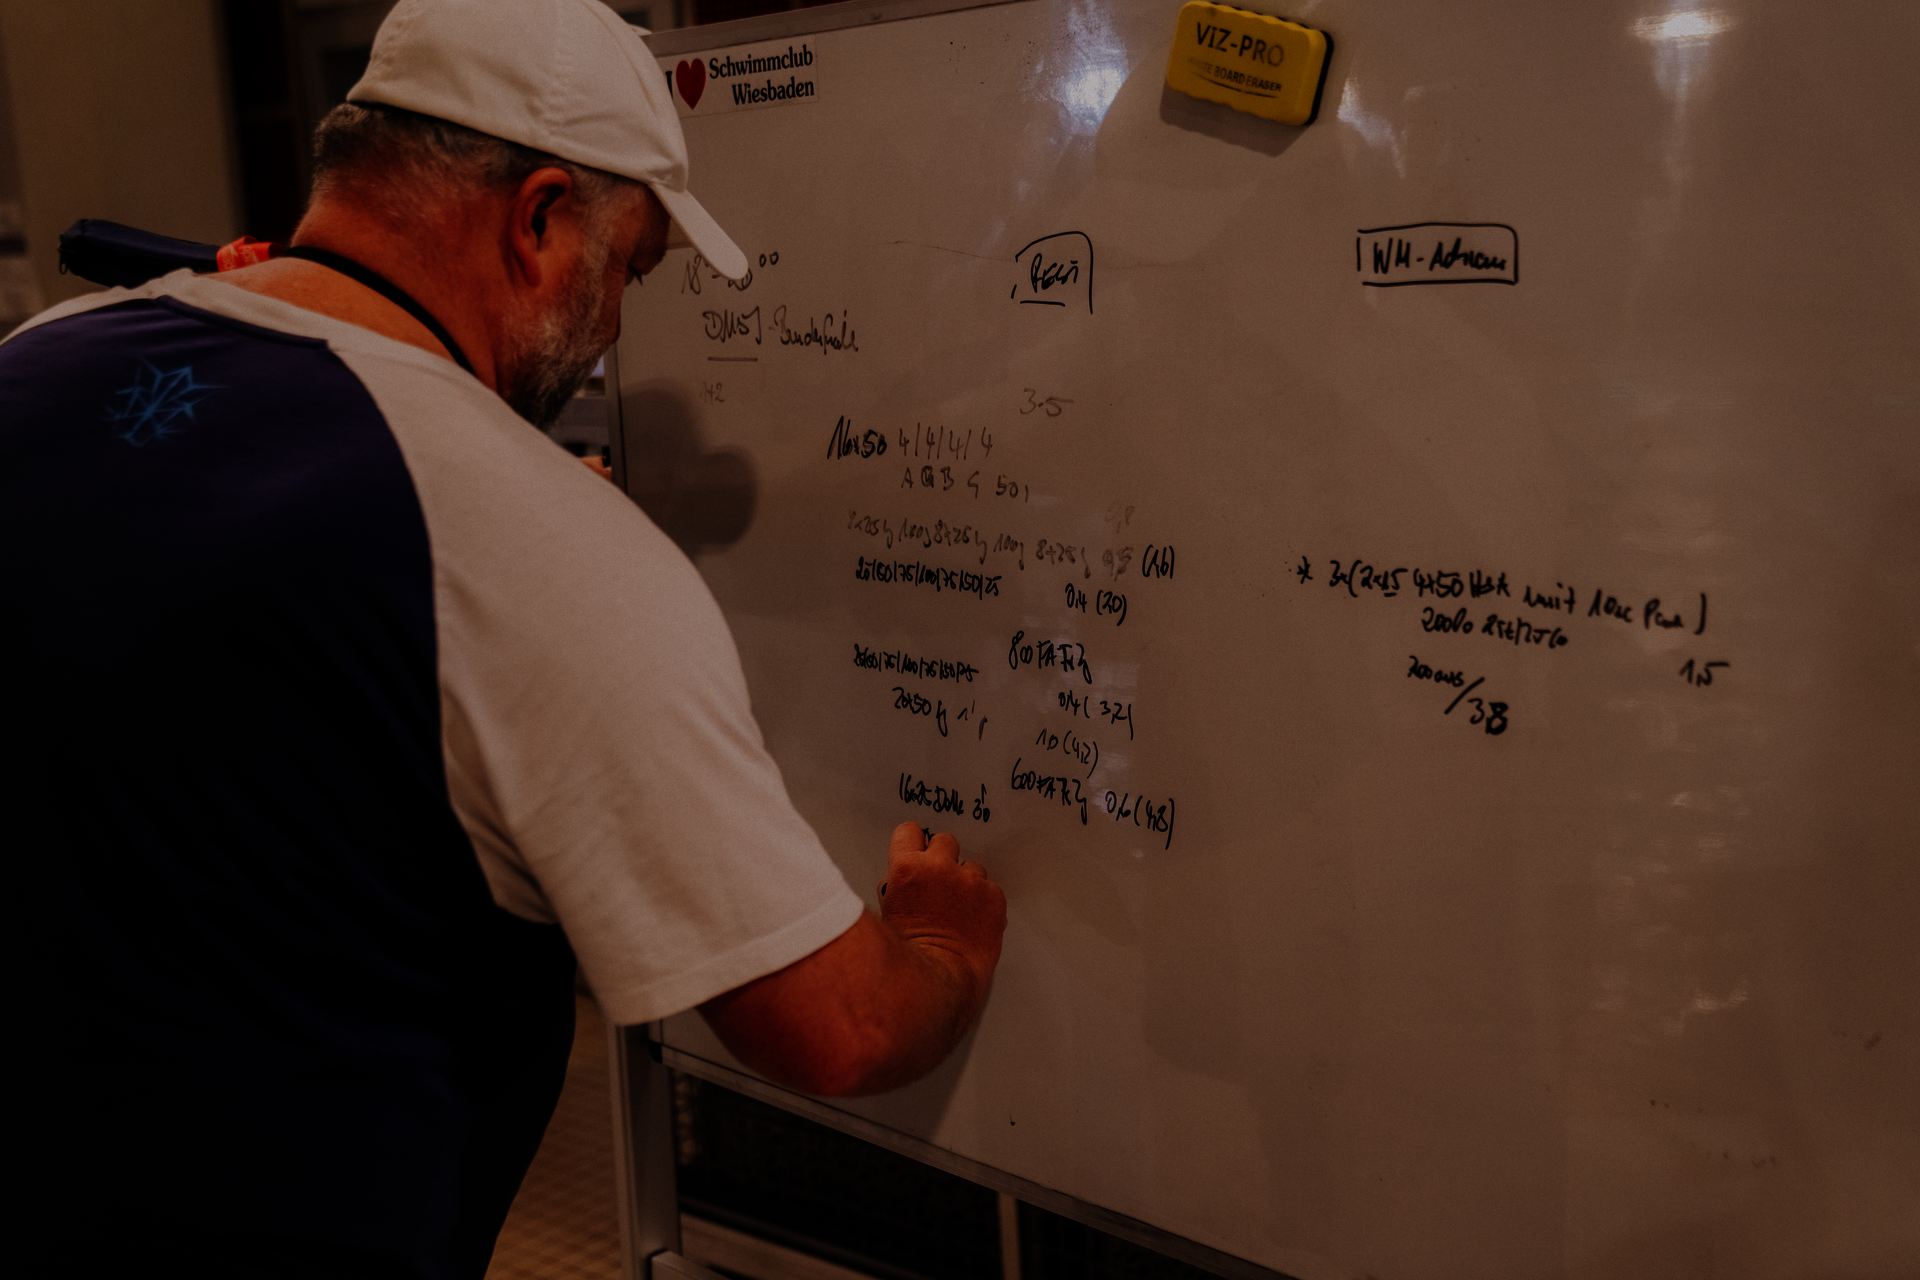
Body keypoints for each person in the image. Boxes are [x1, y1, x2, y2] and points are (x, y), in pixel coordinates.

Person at [4, 0, 1004, 1276]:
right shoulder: (530, 543)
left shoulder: (43, 356)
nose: (617, 325)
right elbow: (840, 1028)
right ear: (539, 220)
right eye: (630, 268)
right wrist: (944, 949)